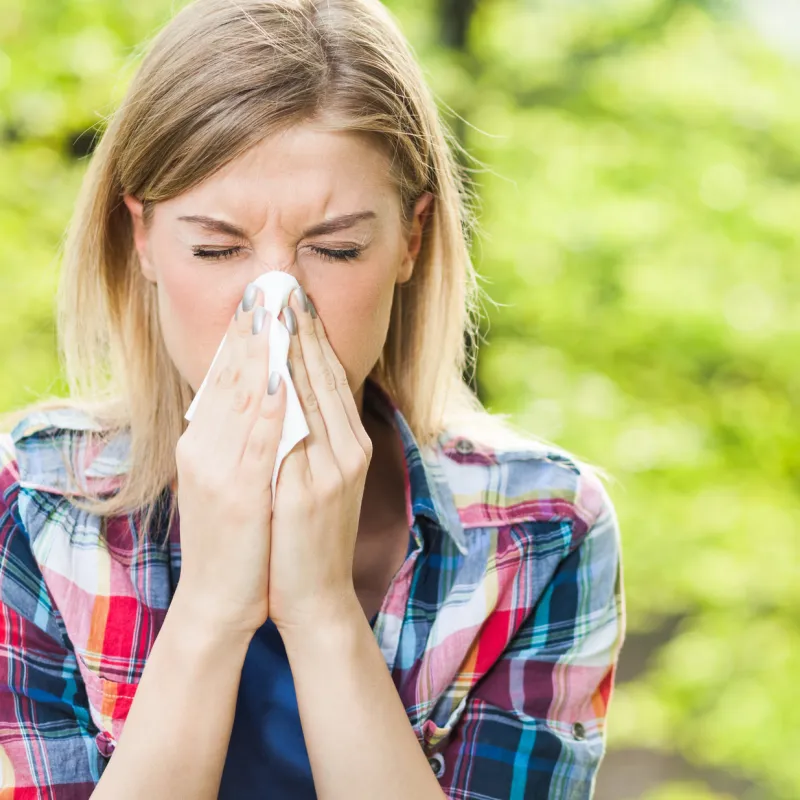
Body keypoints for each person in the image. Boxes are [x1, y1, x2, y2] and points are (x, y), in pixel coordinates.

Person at [0, 0, 625, 797]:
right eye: (217, 247)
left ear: (411, 239)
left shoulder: (543, 528)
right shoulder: (29, 505)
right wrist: (213, 610)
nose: (276, 306)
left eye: (335, 248)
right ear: (144, 240)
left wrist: (324, 612)